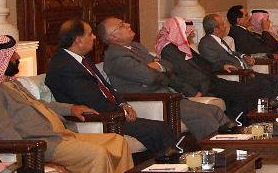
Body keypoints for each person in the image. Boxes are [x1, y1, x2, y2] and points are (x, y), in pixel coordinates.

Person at [0, 35, 134, 173]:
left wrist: (71, 109)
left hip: (60, 136)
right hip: (40, 145)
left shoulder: (7, 82)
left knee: (117, 142)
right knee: (96, 153)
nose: (17, 57)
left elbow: (38, 104)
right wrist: (41, 160)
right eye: (11, 54)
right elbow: (1, 134)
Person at [45, 19, 178, 154]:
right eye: (90, 34)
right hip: (100, 119)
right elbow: (91, 100)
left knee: (161, 128)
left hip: (112, 113)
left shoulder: (81, 59)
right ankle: (169, 164)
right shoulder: (65, 66)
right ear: (79, 40)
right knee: (158, 130)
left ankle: (170, 162)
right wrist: (121, 112)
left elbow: (106, 87)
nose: (94, 37)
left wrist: (123, 104)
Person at [97, 17, 230, 138]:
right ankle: (216, 150)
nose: (128, 24)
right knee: (204, 115)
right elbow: (150, 77)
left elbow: (168, 65)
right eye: (121, 25)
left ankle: (233, 143)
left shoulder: (136, 47)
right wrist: (159, 70)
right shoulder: (116, 56)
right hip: (154, 100)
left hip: (168, 95)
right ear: (113, 37)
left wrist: (157, 66)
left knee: (215, 110)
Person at [157, 16, 271, 120]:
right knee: (242, 90)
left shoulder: (181, 46)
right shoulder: (168, 51)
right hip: (200, 86)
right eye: (185, 30)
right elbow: (172, 76)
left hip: (208, 80)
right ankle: (240, 121)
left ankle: (246, 120)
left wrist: (221, 66)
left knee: (246, 88)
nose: (189, 33)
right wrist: (191, 92)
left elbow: (202, 62)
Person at [197, 13, 278, 98]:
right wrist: (223, 66)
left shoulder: (217, 40)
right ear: (216, 30)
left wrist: (243, 56)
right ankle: (266, 105)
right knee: (265, 83)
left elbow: (231, 53)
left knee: (274, 79)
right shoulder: (206, 43)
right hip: (238, 74)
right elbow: (211, 62)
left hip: (245, 71)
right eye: (222, 24)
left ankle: (274, 103)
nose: (225, 26)